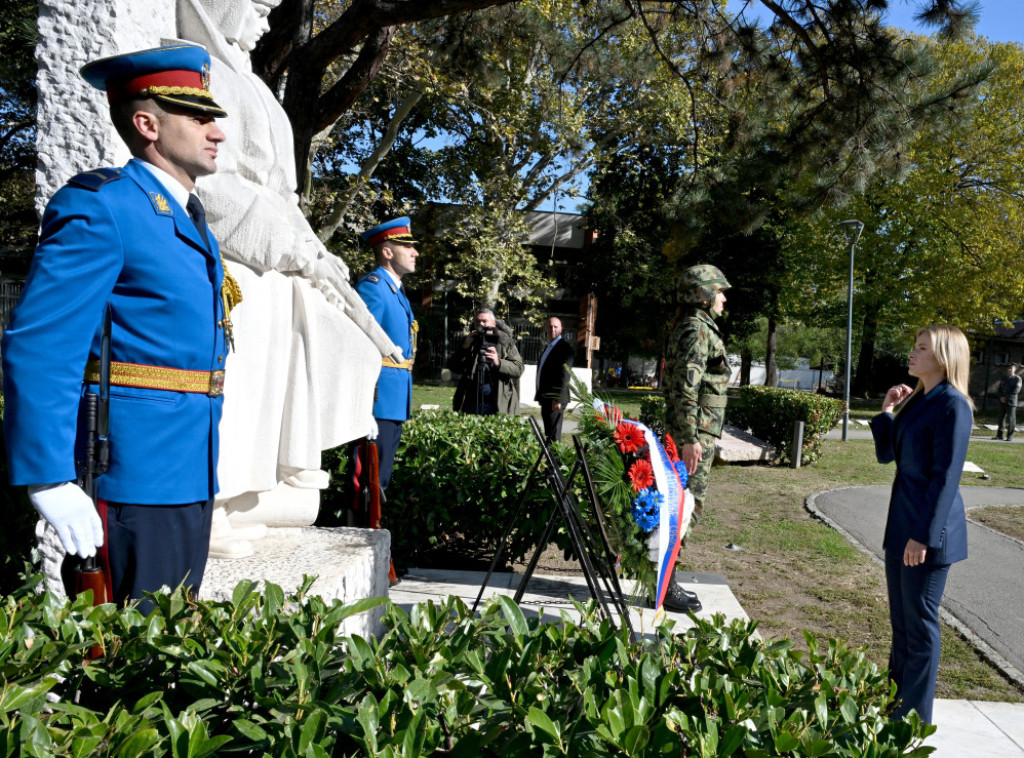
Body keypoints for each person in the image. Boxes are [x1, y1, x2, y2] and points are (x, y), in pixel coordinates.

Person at [1, 44, 233, 610]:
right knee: (129, 663)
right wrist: (48, 477)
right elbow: (41, 346)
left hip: (189, 469)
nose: (216, 132)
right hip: (131, 473)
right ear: (146, 123)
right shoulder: (103, 208)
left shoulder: (189, 218)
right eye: (198, 118)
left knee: (170, 651)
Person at [178, 0, 396, 558]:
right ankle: (217, 504)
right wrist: (289, 244)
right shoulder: (197, 71)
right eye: (254, 6)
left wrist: (317, 251)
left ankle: (252, 491)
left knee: (270, 390)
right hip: (241, 264)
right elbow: (212, 184)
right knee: (240, 387)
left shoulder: (253, 85)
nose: (266, 19)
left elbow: (284, 194)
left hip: (279, 268)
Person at [869, 325, 972, 725]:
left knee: (920, 625)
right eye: (914, 347)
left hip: (928, 534)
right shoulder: (919, 400)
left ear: (943, 358)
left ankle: (912, 718)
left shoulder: (953, 405)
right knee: (902, 625)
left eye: (921, 349)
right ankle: (893, 707)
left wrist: (924, 537)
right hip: (902, 528)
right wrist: (887, 411)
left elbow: (946, 477)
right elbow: (885, 456)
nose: (912, 354)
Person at [661, 264, 731, 613]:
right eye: (719, 291)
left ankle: (665, 581)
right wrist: (690, 438)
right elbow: (685, 389)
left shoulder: (695, 327)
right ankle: (665, 586)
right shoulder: (696, 330)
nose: (724, 297)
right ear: (702, 295)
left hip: (699, 429)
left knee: (683, 507)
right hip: (695, 432)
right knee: (685, 508)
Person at [356, 217, 419, 491]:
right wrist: (364, 406)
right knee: (369, 483)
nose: (415, 253)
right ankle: (362, 533)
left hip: (394, 401)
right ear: (387, 252)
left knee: (380, 480)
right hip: (378, 401)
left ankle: (372, 532)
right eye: (408, 248)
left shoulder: (396, 290)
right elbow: (360, 347)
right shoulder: (374, 287)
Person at [452, 309, 525, 416]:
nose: (481, 324)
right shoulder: (469, 341)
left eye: (485, 321)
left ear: (493, 323)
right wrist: (464, 348)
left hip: (498, 405)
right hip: (470, 405)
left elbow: (518, 369)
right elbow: (455, 367)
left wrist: (498, 362)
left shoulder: (505, 341)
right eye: (477, 322)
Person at [535, 316, 574, 441]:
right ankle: (550, 460)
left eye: (555, 327)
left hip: (555, 400)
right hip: (546, 397)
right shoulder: (548, 347)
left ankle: (556, 461)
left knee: (554, 435)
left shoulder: (565, 348)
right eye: (550, 326)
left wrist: (559, 399)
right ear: (546, 328)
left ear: (561, 329)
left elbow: (564, 375)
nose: (553, 329)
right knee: (549, 433)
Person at [994, 363, 1021, 441]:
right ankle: (1000, 435)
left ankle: (1010, 436)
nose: (1009, 369)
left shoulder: (1017, 379)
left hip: (1011, 402)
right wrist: (1001, 397)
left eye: (1011, 368)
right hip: (1002, 401)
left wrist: (1006, 397)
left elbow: (1016, 390)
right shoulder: (1004, 378)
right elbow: (999, 389)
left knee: (1011, 419)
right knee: (1001, 418)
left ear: (1014, 369)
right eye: (1008, 368)